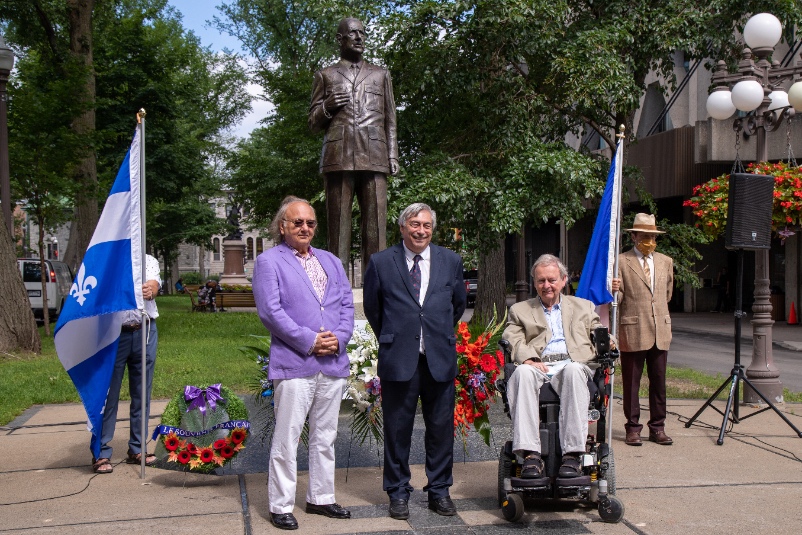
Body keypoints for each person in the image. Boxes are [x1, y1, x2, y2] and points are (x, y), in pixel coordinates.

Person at [253, 196, 355, 531]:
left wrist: (338, 338)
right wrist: (309, 341)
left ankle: (321, 498)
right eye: (297, 222)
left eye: (310, 222)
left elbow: (345, 307)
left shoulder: (331, 261)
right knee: (288, 436)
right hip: (295, 362)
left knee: (325, 436)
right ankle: (281, 504)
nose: (305, 228)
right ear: (282, 226)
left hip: (333, 362)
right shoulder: (270, 262)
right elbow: (271, 312)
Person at [363, 203, 466, 520]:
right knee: (397, 429)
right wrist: (397, 336)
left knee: (440, 430)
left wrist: (435, 334)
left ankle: (439, 491)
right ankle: (397, 492)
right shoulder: (381, 262)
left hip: (439, 357)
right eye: (414, 224)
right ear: (402, 227)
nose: (420, 230)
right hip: (400, 359)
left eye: (426, 225)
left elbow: (457, 306)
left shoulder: (451, 261)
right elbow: (373, 310)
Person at [503, 254, 610, 480]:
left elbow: (599, 332)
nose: (547, 286)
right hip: (539, 364)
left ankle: (572, 454)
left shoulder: (583, 306)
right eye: (541, 281)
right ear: (534, 283)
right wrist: (528, 358)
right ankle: (530, 454)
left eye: (552, 280)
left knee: (572, 371)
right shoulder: (521, 310)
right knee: (521, 372)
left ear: (563, 280)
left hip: (573, 364)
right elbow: (512, 338)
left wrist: (608, 341)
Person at [308, 17, 398, 274]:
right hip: (339, 156)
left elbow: (391, 118)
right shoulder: (325, 75)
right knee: (338, 229)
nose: (359, 38)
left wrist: (393, 154)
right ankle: (337, 288)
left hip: (376, 153)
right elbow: (313, 124)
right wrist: (327, 106)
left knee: (376, 229)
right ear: (339, 39)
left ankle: (377, 291)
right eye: (353, 33)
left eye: (362, 33)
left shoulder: (381, 74)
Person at [92, 254, 161, 474]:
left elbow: (153, 284)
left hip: (144, 330)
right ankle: (101, 451)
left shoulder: (148, 259)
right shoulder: (108, 255)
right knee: (108, 395)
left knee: (142, 393)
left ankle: (137, 448)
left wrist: (151, 289)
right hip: (112, 334)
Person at [611, 213, 674, 446]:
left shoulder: (666, 261)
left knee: (659, 381)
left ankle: (658, 427)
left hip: (660, 330)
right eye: (644, 236)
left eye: (652, 236)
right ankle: (633, 428)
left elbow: (667, 294)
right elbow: (617, 299)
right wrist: (614, 289)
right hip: (633, 330)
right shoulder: (621, 261)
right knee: (631, 383)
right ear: (634, 236)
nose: (649, 240)